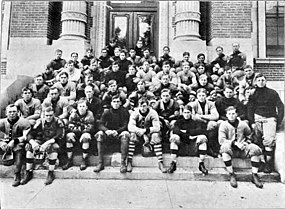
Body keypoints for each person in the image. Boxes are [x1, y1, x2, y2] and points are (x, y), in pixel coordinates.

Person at [247, 74, 284, 173]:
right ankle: (260, 162)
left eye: (262, 80)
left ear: (266, 81)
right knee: (256, 140)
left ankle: (268, 164)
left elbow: (281, 107)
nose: (261, 82)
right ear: (255, 82)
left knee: (269, 140)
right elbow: (250, 109)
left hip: (270, 119)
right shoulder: (253, 94)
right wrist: (252, 122)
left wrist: (278, 120)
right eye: (258, 80)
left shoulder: (272, 93)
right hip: (257, 118)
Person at [219, 106, 263, 188]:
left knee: (255, 149)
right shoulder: (223, 125)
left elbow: (250, 135)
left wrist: (246, 143)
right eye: (229, 114)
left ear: (236, 114)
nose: (231, 115)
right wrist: (234, 143)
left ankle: (254, 175)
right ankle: (231, 174)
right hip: (231, 150)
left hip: (242, 150)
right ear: (226, 115)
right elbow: (221, 140)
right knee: (224, 149)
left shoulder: (243, 124)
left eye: (233, 113)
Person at [22, 106, 64, 185]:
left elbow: (60, 136)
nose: (48, 117)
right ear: (43, 115)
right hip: (42, 141)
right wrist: (33, 142)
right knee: (29, 146)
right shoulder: (40, 122)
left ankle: (51, 173)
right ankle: (28, 172)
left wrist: (47, 143)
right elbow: (30, 134)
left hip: (53, 142)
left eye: (50, 115)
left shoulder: (58, 122)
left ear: (54, 114)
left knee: (54, 147)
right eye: (46, 115)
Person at [127, 97, 167, 173]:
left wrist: (145, 131)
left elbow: (157, 127)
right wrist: (140, 132)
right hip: (139, 134)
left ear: (148, 106)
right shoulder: (135, 113)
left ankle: (160, 162)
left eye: (144, 106)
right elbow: (130, 127)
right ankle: (129, 161)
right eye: (140, 106)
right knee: (132, 135)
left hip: (150, 133)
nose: (142, 108)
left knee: (156, 136)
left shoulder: (153, 113)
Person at [168, 105, 209, 175]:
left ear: (191, 113)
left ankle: (201, 163)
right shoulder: (178, 122)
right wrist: (189, 136)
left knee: (202, 138)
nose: (186, 114)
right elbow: (176, 131)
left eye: (188, 112)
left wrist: (186, 131)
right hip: (181, 145)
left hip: (193, 146)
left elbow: (200, 131)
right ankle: (173, 163)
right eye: (185, 112)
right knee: (174, 137)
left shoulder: (196, 122)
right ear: (182, 113)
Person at [94, 95, 130, 173]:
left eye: (117, 102)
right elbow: (100, 124)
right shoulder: (107, 112)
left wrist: (117, 131)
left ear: (120, 103)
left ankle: (123, 163)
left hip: (119, 134)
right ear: (111, 103)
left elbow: (126, 125)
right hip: (109, 134)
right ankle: (100, 163)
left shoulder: (124, 111)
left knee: (125, 135)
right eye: (114, 102)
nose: (116, 103)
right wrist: (107, 130)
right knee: (99, 135)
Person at [0, 104, 31, 187]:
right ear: (6, 113)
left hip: (19, 143)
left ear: (18, 112)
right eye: (10, 112)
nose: (12, 114)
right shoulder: (2, 122)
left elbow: (25, 137)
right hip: (6, 143)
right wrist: (1, 143)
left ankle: (17, 174)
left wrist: (14, 141)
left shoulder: (23, 122)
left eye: (14, 111)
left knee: (19, 150)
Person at [63, 100, 95, 171]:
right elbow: (70, 127)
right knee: (69, 136)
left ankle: (84, 160)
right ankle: (69, 159)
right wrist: (80, 129)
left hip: (86, 135)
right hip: (77, 134)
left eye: (83, 106)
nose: (82, 108)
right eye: (80, 106)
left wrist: (78, 128)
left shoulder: (90, 114)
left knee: (85, 136)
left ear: (86, 107)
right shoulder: (73, 114)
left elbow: (89, 128)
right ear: (77, 107)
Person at [188, 88, 220, 157]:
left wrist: (201, 116)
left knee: (213, 124)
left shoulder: (210, 104)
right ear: (197, 96)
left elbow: (216, 116)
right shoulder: (193, 104)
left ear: (206, 96)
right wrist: (204, 120)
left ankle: (210, 148)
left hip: (207, 124)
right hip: (197, 124)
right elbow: (193, 117)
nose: (201, 97)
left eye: (203, 95)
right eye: (199, 95)